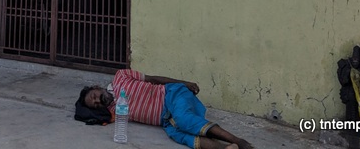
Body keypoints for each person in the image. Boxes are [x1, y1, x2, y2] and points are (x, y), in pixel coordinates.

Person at [80, 69, 253, 149]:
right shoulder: (113, 111)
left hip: (172, 95)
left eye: (94, 96)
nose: (97, 101)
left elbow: (154, 79)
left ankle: (239, 141)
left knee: (184, 120)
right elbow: (86, 115)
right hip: (165, 120)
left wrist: (183, 83)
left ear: (96, 87)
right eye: (95, 104)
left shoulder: (121, 76)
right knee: (179, 136)